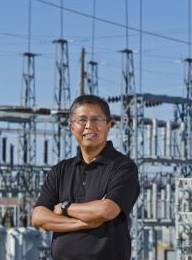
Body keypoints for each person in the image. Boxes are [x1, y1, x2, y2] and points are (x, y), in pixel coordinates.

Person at [32, 94, 140, 260]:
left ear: (109, 125)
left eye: (97, 119)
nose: (89, 126)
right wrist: (83, 222)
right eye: (82, 120)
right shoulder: (61, 170)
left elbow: (106, 210)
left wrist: (64, 208)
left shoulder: (122, 167)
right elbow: (38, 217)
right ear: (72, 127)